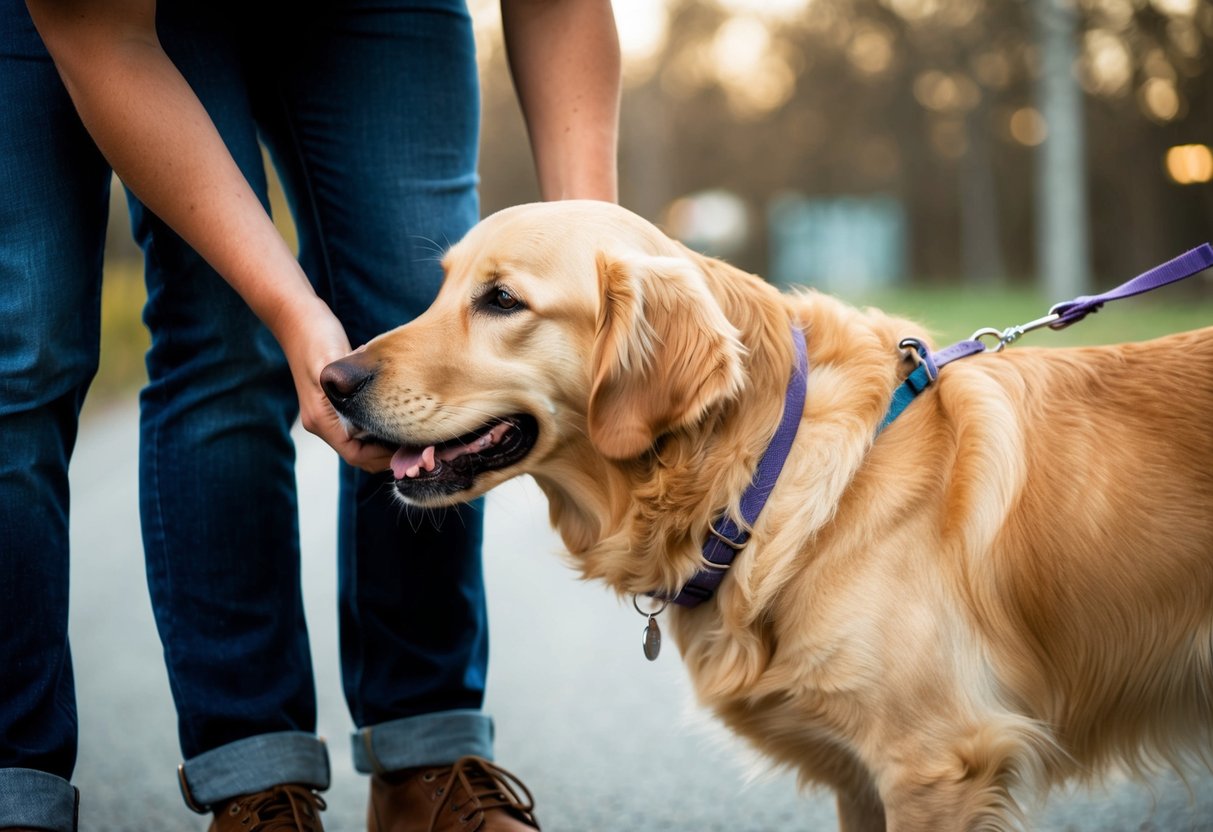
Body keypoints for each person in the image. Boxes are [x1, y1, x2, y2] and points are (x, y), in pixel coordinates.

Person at [0, 0, 619, 830]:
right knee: (122, 340)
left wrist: (602, 265)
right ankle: (231, 780)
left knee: (421, 315)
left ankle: (423, 761)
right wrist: (291, 312)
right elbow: (104, 36)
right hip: (114, 19)